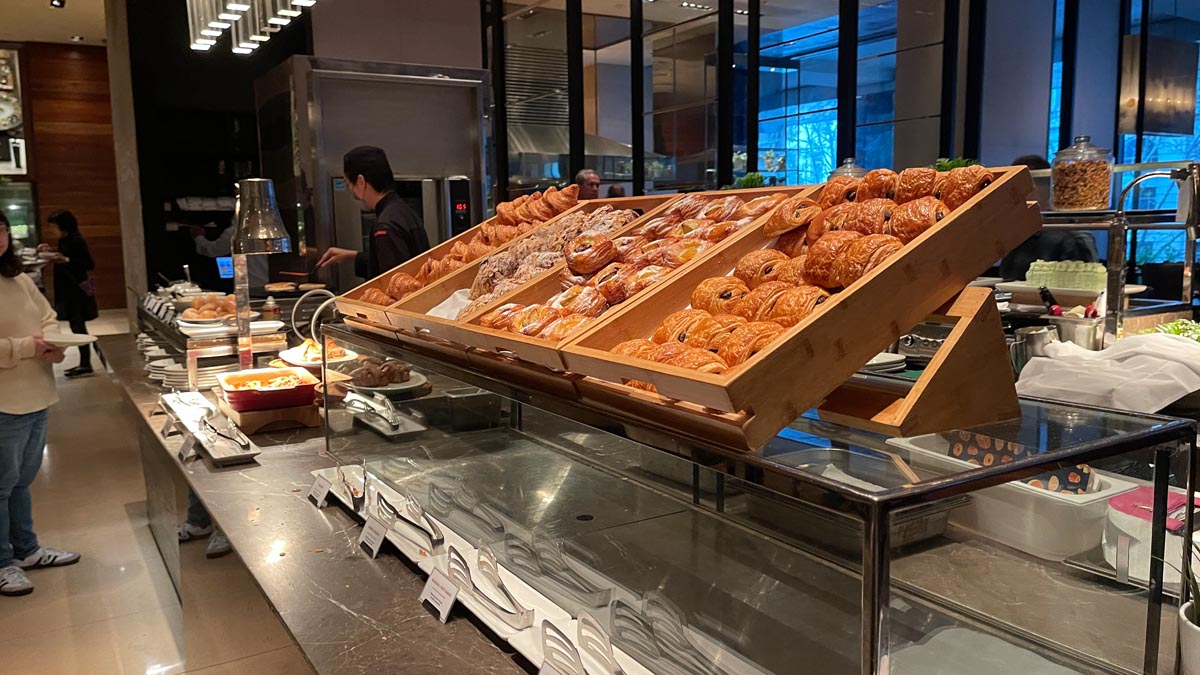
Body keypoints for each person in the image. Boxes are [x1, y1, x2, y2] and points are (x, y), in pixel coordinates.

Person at [0, 211, 81, 597]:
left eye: (0, 229)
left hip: (36, 393)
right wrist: (27, 347)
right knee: (1, 485)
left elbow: (47, 316)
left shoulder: (16, 278)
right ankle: (3, 563)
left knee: (21, 482)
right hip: (4, 400)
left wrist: (51, 343)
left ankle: (26, 549)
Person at [317, 146, 430, 279]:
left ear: (361, 182)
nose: (353, 193)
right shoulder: (403, 211)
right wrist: (353, 256)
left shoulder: (385, 226)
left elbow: (394, 283)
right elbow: (403, 264)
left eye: (349, 185)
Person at [998, 155, 1099, 281]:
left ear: (1048, 189)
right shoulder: (1020, 234)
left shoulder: (1073, 238)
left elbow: (1084, 286)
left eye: (1020, 190)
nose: (1014, 197)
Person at [38, 211, 97, 377]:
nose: (52, 230)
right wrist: (53, 250)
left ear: (63, 225)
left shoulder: (76, 239)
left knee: (78, 326)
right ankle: (85, 362)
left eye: (54, 226)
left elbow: (88, 264)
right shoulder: (65, 239)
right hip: (68, 288)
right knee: (76, 325)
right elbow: (68, 254)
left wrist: (65, 259)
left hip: (76, 289)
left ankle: (86, 363)